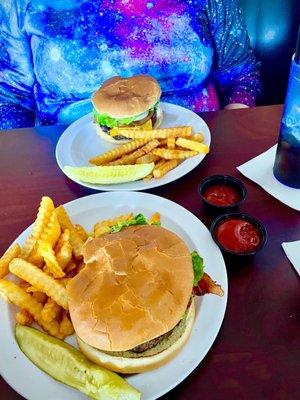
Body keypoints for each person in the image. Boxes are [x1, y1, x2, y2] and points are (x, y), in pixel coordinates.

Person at [0, 0, 261, 130]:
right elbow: (9, 96)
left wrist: (225, 154)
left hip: (194, 155)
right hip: (70, 166)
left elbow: (242, 76)